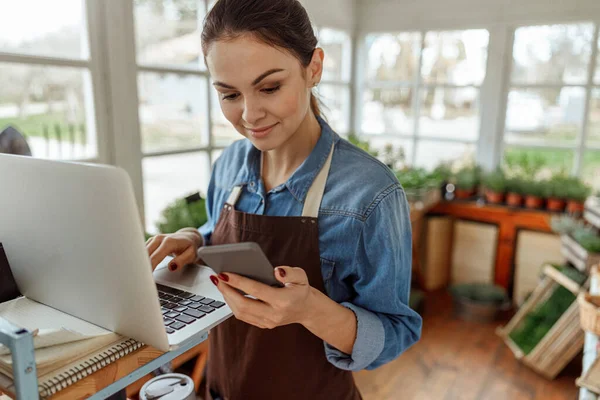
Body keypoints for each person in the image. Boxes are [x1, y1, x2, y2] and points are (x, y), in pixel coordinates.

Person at [145, 0, 422, 398]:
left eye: (270, 87)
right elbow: (218, 237)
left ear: (314, 68)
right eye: (229, 95)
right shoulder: (230, 164)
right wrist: (194, 240)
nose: (250, 115)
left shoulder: (369, 194)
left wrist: (311, 309)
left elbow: (397, 331)